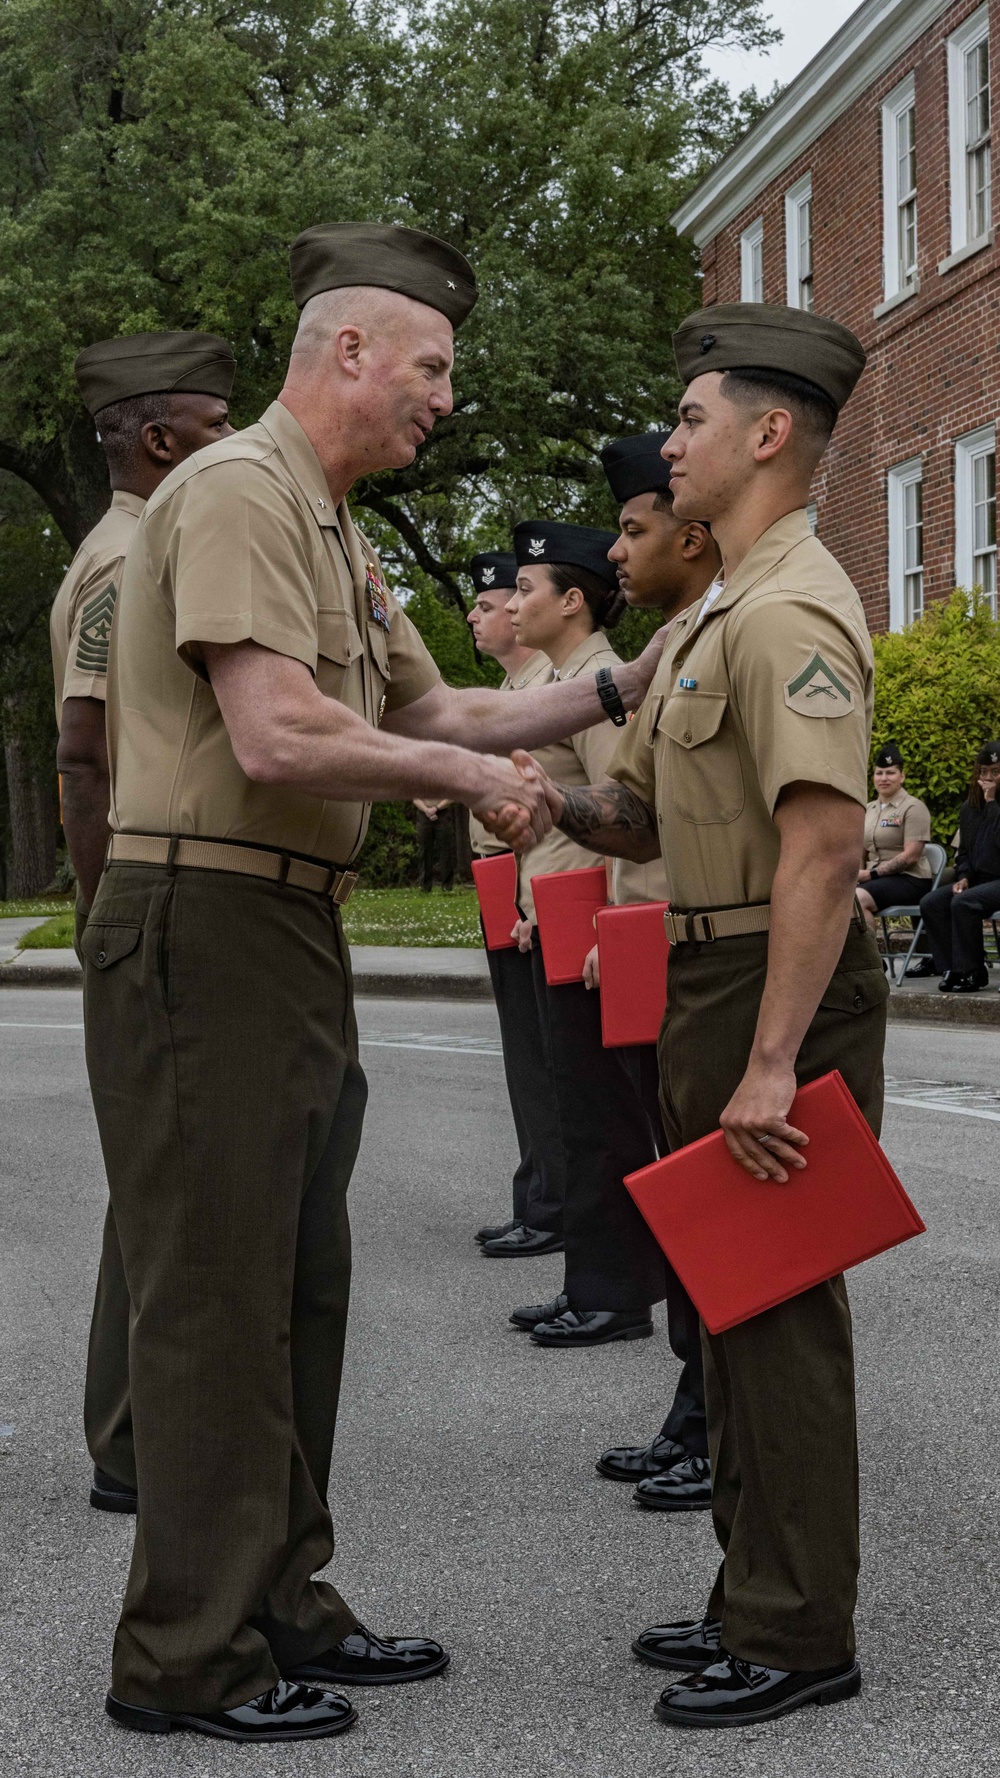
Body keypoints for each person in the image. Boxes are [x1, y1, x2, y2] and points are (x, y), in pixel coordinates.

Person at [84, 221, 665, 1744]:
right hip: (201, 921)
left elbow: (447, 699)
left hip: (279, 927)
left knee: (295, 1287)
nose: (444, 399)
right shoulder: (234, 492)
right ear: (348, 350)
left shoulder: (329, 525)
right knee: (217, 1296)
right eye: (432, 367)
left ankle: (279, 1595)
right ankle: (186, 1653)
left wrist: (620, 683)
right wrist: (472, 779)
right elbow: (278, 733)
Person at [506, 303, 887, 1728]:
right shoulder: (722, 605)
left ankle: (799, 1633)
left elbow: (825, 844)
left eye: (692, 419)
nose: (672, 444)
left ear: (770, 434)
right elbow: (647, 812)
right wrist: (550, 799)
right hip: (710, 965)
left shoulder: (789, 606)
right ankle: (750, 1590)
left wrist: (776, 1060)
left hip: (771, 983)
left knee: (779, 1308)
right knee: (730, 1308)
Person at [49, 331, 237, 1518]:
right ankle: (131, 1438)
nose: (233, 445)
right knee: (168, 1188)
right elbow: (83, 750)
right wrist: (105, 916)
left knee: (155, 1185)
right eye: (215, 428)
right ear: (160, 439)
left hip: (145, 891)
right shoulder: (131, 559)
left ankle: (127, 1431)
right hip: (151, 893)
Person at [588, 430, 721, 1510]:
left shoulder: (733, 628)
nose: (615, 554)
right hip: (651, 937)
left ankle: (710, 1412)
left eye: (632, 528)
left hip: (703, 947)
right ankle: (698, 1398)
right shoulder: (673, 643)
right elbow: (625, 812)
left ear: (690, 528)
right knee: (677, 1194)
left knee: (715, 1211)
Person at [504, 520, 670, 1349]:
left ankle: (616, 1292)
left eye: (528, 586)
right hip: (557, 919)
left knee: (603, 1118)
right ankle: (595, 1281)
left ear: (573, 601)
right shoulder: (567, 677)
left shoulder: (603, 679)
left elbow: (623, 809)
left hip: (591, 927)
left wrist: (611, 926)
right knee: (578, 1111)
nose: (511, 601)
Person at [466, 553, 566, 1257]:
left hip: (533, 877)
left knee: (543, 1051)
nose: (475, 615)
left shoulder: (547, 690)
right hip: (501, 877)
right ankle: (538, 1189)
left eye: (491, 601)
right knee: (522, 1049)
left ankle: (552, 1200)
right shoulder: (511, 690)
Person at [919, 740, 1000, 992]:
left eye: (995, 772)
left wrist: (993, 805)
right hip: (979, 880)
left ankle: (973, 972)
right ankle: (953, 968)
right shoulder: (969, 809)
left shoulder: (993, 806)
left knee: (964, 903)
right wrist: (963, 876)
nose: (988, 778)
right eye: (983, 772)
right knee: (931, 903)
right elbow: (964, 851)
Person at [855, 741, 931, 944]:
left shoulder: (914, 807)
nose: (884, 778)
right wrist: (856, 875)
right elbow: (861, 851)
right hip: (876, 880)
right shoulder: (869, 809)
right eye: (879, 773)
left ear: (902, 776)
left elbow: (911, 856)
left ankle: (873, 963)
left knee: (858, 899)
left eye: (890, 773)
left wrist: (870, 875)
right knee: (838, 895)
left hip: (909, 879)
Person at [412, 796, 455, 891]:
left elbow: (451, 797)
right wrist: (427, 810)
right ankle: (425, 886)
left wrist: (436, 808)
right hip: (423, 814)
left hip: (443, 813)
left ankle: (447, 886)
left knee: (445, 849)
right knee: (425, 850)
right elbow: (415, 799)